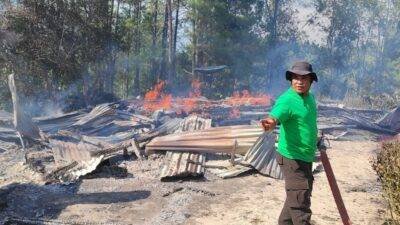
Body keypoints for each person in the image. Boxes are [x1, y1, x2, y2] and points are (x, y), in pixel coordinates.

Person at [261, 61, 318, 225]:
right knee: (301, 208)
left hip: (305, 158)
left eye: (304, 78)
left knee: (296, 198)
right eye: (296, 78)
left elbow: (308, 122)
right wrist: (270, 123)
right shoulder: (287, 100)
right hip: (293, 159)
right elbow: (274, 117)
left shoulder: (309, 98)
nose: (299, 82)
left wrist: (315, 138)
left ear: (311, 81)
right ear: (291, 80)